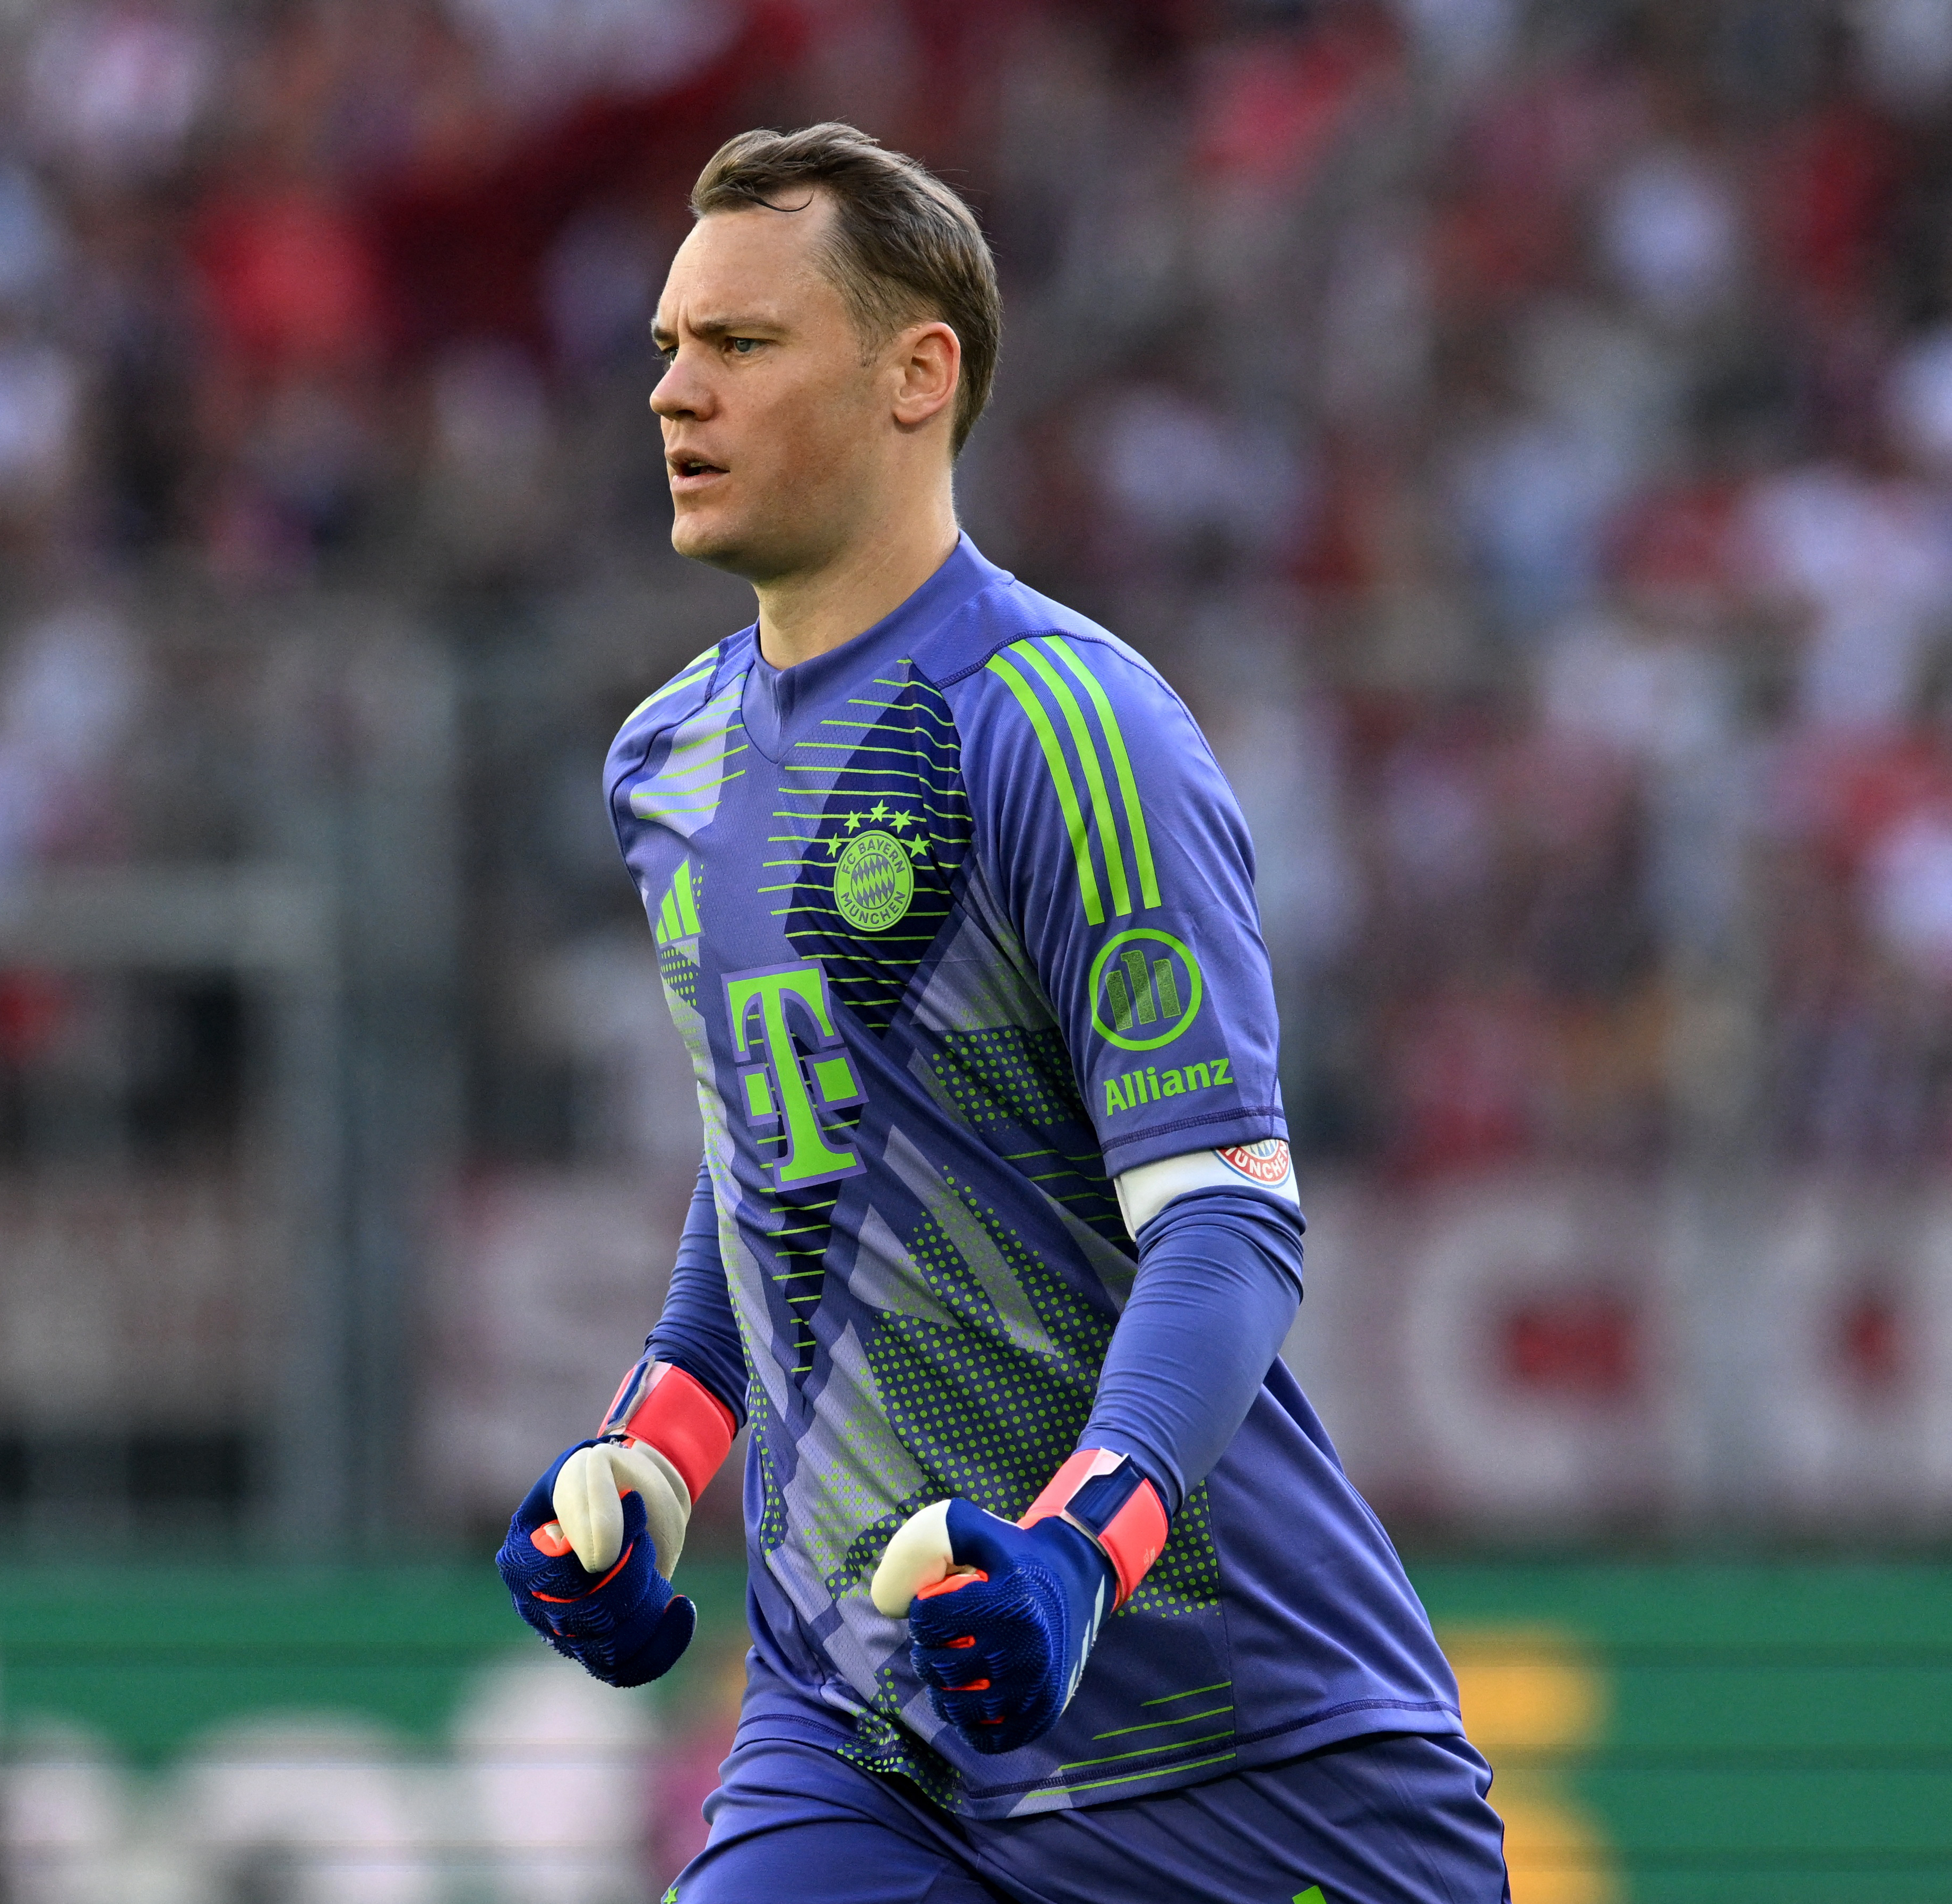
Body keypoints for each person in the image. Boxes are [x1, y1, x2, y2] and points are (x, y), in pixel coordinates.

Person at [494, 122, 1509, 1904]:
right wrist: (649, 1450)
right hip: (863, 1734)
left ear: (916, 373)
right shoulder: (668, 762)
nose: (673, 392)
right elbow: (772, 1157)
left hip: (1242, 1748)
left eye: (737, 345)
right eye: (666, 346)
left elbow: (1226, 1225)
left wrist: (1072, 1555)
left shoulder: (1063, 726)